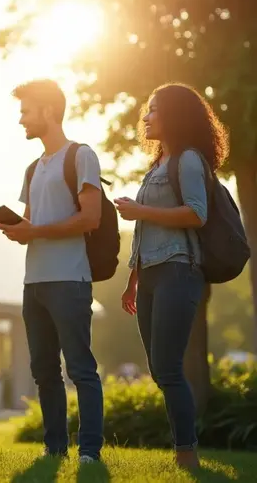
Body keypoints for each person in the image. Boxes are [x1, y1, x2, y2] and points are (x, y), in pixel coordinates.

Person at [115, 83, 228, 469]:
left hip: (180, 270)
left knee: (168, 367)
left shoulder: (189, 160)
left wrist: (139, 212)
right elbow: (147, 231)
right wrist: (132, 280)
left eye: (153, 110)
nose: (145, 117)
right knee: (159, 369)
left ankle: (186, 454)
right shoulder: (156, 167)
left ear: (174, 115)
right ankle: (184, 449)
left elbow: (196, 214)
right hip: (150, 276)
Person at [0, 79, 104, 462]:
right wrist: (17, 229)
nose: (21, 119)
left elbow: (90, 218)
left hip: (69, 280)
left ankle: (89, 450)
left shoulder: (81, 155)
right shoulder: (32, 167)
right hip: (34, 282)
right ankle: (55, 448)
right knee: (43, 370)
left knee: (80, 368)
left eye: (26, 111)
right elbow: (31, 223)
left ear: (48, 111)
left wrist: (33, 230)